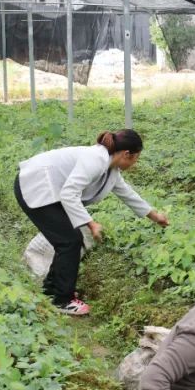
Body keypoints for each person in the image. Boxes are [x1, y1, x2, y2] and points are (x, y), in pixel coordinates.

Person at [14, 129, 168, 315]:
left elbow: (127, 193)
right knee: (69, 240)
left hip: (50, 191)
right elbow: (69, 193)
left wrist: (154, 216)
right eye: (137, 158)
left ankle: (52, 290)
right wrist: (91, 223)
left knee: (69, 240)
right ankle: (63, 299)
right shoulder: (96, 160)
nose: (136, 163)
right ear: (127, 154)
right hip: (35, 186)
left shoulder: (111, 168)